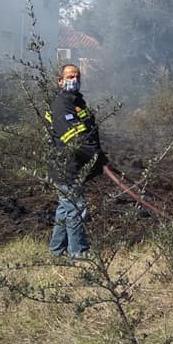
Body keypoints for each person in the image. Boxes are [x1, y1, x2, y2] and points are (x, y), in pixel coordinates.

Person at [46, 63, 107, 258]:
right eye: (70, 76)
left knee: (65, 208)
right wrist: (96, 157)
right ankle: (78, 254)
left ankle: (56, 250)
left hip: (74, 165)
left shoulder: (77, 102)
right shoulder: (61, 104)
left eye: (77, 76)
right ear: (60, 81)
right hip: (65, 167)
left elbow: (88, 131)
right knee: (76, 208)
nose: (74, 80)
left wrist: (97, 155)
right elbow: (73, 138)